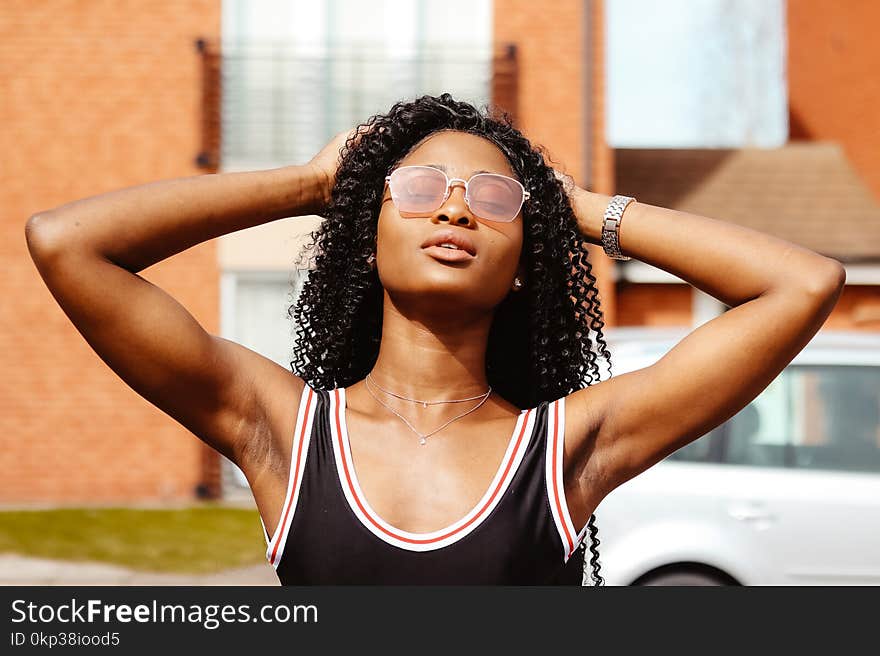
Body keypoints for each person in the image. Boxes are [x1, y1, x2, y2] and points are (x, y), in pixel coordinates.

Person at [25, 94, 845, 585]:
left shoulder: (567, 446)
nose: (455, 209)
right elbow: (67, 243)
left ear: (525, 261)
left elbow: (802, 284)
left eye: (493, 198)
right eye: (419, 190)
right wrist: (312, 184)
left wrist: (579, 210)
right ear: (367, 233)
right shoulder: (282, 428)